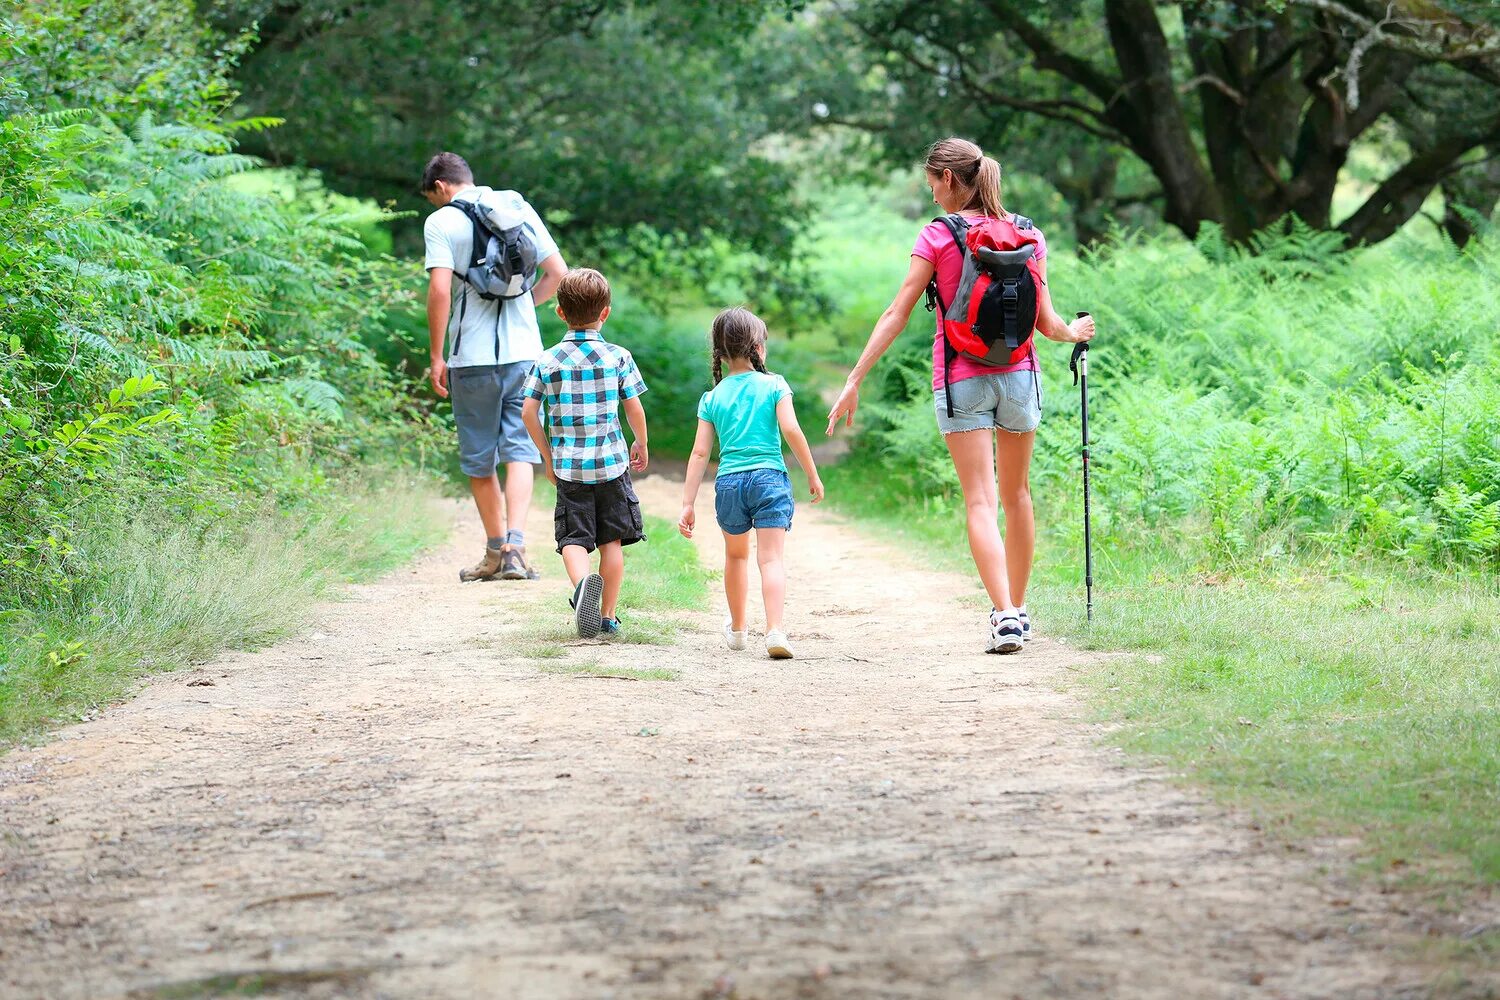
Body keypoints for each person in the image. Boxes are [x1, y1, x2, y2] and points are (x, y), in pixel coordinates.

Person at [825, 137, 1095, 654]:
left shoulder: (938, 236)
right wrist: (1076, 332)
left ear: (949, 179)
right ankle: (1018, 610)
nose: (931, 197)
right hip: (1021, 377)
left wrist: (855, 377)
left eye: (931, 183)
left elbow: (898, 312)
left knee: (980, 498)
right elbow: (1047, 323)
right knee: (1018, 497)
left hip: (961, 378)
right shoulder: (1028, 234)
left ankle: (1006, 615)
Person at [421, 151, 568, 583]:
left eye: (434, 197)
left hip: (471, 358)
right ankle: (516, 548)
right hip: (525, 353)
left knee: (480, 458)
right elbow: (558, 272)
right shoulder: (515, 206)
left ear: (441, 187)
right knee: (519, 449)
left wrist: (436, 355)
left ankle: (492, 551)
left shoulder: (441, 222)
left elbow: (439, 290)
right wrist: (524, 304)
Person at [678, 307, 825, 660]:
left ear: (720, 353)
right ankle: (775, 630)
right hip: (769, 479)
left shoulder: (712, 398)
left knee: (735, 556)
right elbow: (791, 429)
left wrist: (687, 502)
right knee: (771, 559)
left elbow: (700, 454)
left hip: (729, 482)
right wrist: (811, 473)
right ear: (758, 347)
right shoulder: (774, 384)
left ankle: (739, 630)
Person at [520, 268, 649, 640]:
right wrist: (639, 442)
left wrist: (547, 456)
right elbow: (634, 407)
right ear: (605, 312)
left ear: (560, 312)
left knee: (573, 539)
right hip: (611, 464)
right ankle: (607, 616)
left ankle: (581, 589)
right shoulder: (618, 357)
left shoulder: (547, 360)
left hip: (569, 469)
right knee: (611, 541)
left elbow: (528, 411)